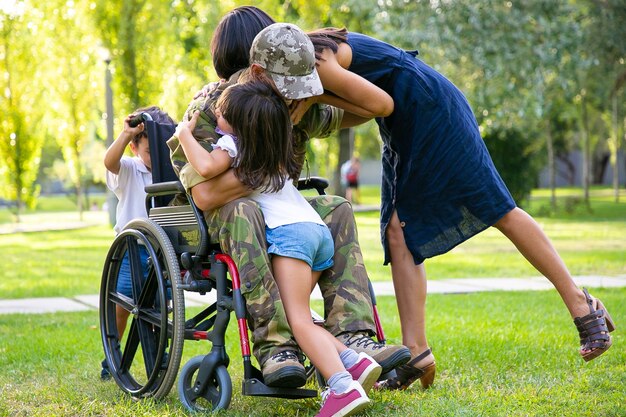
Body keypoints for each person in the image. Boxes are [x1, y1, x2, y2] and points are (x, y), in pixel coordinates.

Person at [305, 28, 616, 389]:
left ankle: (582, 305)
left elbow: (378, 104)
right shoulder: (312, 57)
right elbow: (368, 107)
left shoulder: (316, 58)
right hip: (403, 123)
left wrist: (314, 100)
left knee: (497, 207)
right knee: (397, 229)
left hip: (430, 110)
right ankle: (416, 351)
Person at [167, 10, 410, 389]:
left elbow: (377, 107)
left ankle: (351, 335)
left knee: (337, 208)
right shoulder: (216, 108)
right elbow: (205, 194)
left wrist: (315, 96)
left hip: (277, 213)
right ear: (257, 67)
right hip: (226, 218)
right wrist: (268, 166)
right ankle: (277, 346)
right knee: (242, 207)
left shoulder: (291, 101)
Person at [176, 78, 381, 417]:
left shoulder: (234, 147)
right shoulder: (272, 150)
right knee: (296, 310)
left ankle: (342, 389)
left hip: (291, 237)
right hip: (317, 233)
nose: (216, 114)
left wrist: (185, 134)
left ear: (240, 126)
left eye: (223, 113)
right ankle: (351, 361)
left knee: (296, 320)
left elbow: (207, 167)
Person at [101, 106, 175, 380]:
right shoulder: (130, 168)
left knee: (160, 306)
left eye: (160, 151)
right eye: (149, 152)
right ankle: (113, 352)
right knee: (122, 306)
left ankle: (159, 354)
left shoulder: (169, 171)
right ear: (134, 148)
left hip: (160, 250)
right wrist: (125, 134)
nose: (155, 158)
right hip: (131, 249)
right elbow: (109, 163)